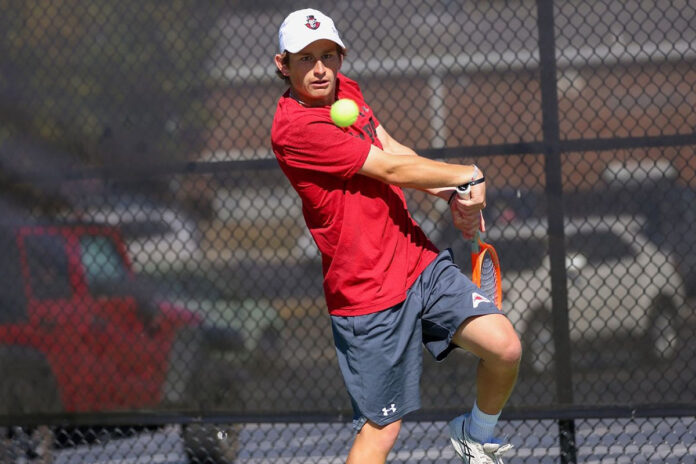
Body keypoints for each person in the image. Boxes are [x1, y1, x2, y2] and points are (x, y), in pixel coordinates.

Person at [271, 8, 521, 464]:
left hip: (416, 261)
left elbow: (391, 149)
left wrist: (451, 192)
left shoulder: (346, 91)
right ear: (282, 65)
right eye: (306, 58)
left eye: (329, 54)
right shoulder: (295, 130)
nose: (321, 68)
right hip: (367, 295)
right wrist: (468, 174)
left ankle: (475, 434)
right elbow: (386, 169)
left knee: (505, 347)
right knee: (382, 432)